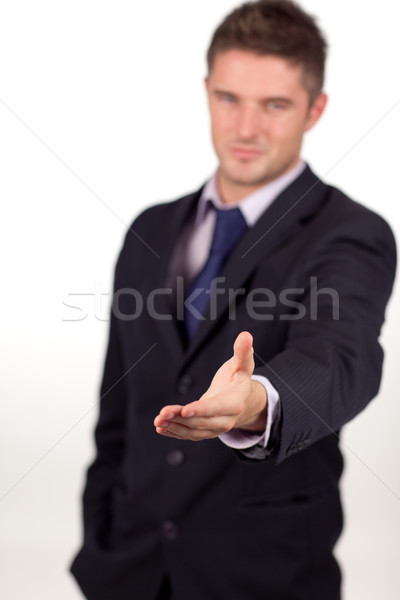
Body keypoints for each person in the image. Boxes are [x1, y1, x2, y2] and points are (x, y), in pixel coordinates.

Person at [70, 1, 396, 599]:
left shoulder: (350, 233)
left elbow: (341, 357)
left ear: (314, 109)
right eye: (229, 99)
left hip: (262, 578)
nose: (246, 128)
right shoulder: (151, 228)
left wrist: (257, 402)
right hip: (127, 571)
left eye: (275, 105)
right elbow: (117, 407)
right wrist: (100, 535)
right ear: (206, 92)